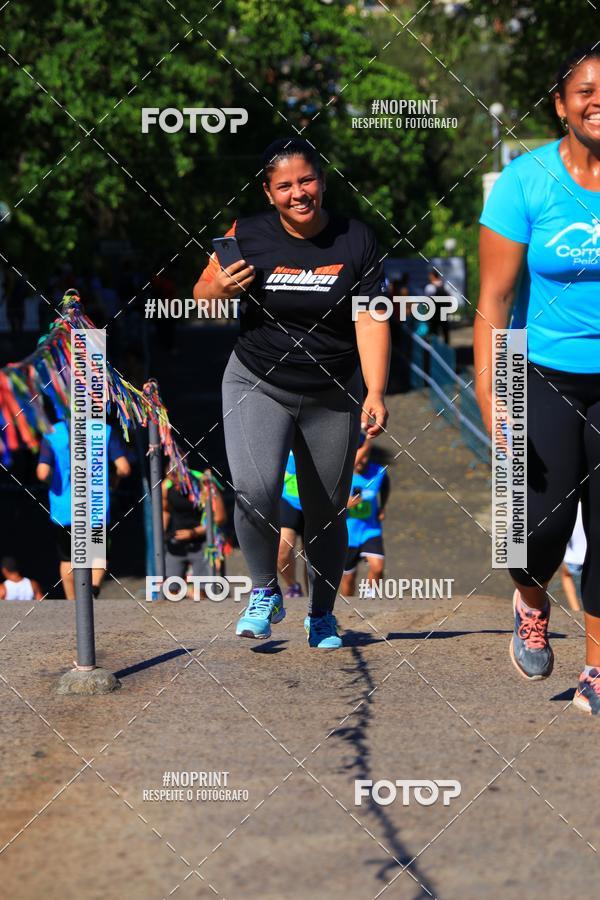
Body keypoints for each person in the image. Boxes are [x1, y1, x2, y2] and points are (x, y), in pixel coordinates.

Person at [193, 136, 390, 649]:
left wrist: (376, 390)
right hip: (257, 381)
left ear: (321, 182)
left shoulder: (356, 238)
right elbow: (200, 296)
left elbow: (370, 316)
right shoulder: (248, 233)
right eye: (285, 185)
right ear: (268, 191)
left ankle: (322, 614)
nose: (298, 193)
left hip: (331, 391)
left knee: (326, 512)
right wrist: (221, 289)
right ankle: (264, 591)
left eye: (306, 181)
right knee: (255, 493)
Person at [474, 45, 600, 713]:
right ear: (561, 103)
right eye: (585, 89)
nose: (597, 100)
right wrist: (490, 391)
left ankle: (597, 670)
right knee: (537, 527)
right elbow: (493, 300)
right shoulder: (525, 182)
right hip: (540, 370)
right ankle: (529, 595)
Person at [36, 417, 131, 599]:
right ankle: (93, 592)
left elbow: (42, 472)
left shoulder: (52, 432)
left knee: (68, 557)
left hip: (65, 508)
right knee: (98, 551)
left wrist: (56, 483)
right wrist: (114, 479)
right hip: (96, 506)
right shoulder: (104, 430)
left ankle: (72, 602)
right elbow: (124, 468)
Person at [162, 468, 227, 594]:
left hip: (202, 542)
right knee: (170, 592)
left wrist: (194, 532)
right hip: (176, 544)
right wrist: (163, 533)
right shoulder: (166, 486)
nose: (174, 479)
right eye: (171, 476)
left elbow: (220, 518)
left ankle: (192, 591)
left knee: (202, 593)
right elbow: (165, 511)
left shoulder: (204, 482)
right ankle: (185, 591)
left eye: (177, 475)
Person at [340, 434, 389, 598]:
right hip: (348, 534)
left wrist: (382, 507)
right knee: (348, 579)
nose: (361, 462)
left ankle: (369, 598)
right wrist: (344, 504)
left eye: (365, 457)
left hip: (370, 530)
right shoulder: (341, 475)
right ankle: (348, 610)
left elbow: (385, 486)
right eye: (358, 458)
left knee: (378, 567)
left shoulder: (378, 472)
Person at [277, 451, 306, 599]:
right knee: (283, 547)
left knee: (314, 555)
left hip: (315, 499)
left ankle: (314, 599)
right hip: (287, 499)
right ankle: (293, 586)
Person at [561, 503, 586, 613]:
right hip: (593, 556)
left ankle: (575, 609)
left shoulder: (571, 506)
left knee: (566, 575)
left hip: (575, 556)